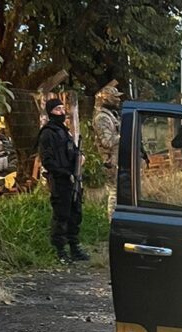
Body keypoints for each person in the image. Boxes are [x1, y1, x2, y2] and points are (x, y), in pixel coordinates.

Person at [38, 98, 90, 263]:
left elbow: (73, 152)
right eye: (57, 109)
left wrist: (79, 158)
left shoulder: (64, 131)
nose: (62, 112)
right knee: (61, 216)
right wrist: (64, 173)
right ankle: (60, 251)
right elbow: (47, 161)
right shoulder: (48, 133)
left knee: (75, 214)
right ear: (50, 112)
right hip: (60, 181)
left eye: (62, 108)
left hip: (72, 180)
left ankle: (74, 248)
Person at [93, 81, 122, 216]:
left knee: (119, 192)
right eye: (115, 97)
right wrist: (124, 137)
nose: (118, 100)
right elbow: (107, 142)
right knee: (114, 192)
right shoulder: (102, 118)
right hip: (110, 161)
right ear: (107, 98)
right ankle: (112, 221)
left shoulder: (111, 115)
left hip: (116, 160)